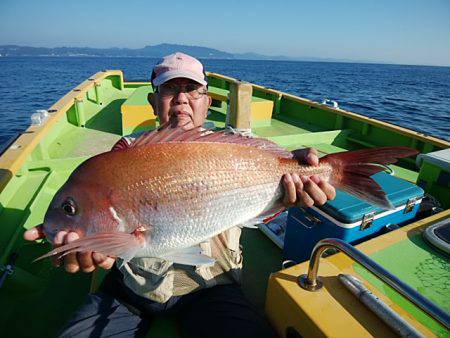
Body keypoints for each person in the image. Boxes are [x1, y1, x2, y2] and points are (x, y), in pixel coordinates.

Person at [24, 53, 336, 338]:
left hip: (214, 285)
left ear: (207, 100)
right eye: (170, 90)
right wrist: (89, 246)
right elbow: (106, 232)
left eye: (192, 90)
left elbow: (263, 204)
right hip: (132, 290)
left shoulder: (234, 147)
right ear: (153, 100)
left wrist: (300, 177)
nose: (181, 100)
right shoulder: (123, 154)